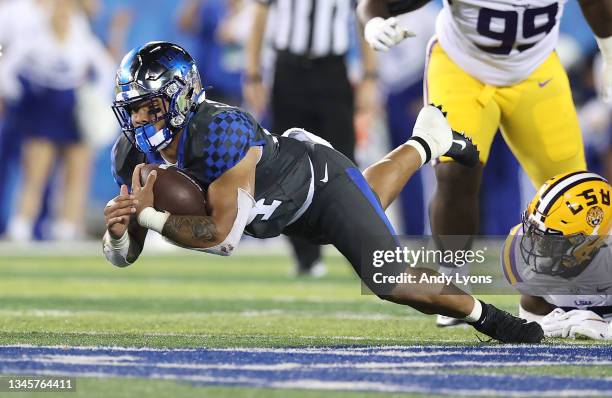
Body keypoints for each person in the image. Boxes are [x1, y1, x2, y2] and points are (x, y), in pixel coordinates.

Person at [102, 41, 543, 343]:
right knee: (368, 200)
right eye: (132, 109)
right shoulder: (130, 154)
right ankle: (428, 141)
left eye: (149, 107)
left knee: (388, 278)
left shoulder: (221, 132)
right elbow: (122, 256)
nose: (139, 121)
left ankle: (492, 318)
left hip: (318, 186)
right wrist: (119, 231)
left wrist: (147, 216)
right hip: (282, 213)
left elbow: (223, 238)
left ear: (179, 98)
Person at [358, 0, 612, 326]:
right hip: (462, 67)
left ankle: (546, 299)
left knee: (576, 190)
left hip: (535, 70)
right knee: (454, 170)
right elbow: (374, 5)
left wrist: (607, 51)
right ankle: (452, 279)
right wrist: (375, 25)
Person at [244, 0, 379, 276]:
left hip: (333, 71)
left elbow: (365, 17)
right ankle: (306, 257)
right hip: (288, 71)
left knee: (345, 162)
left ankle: (364, 248)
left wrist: (369, 76)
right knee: (287, 164)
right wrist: (253, 75)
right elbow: (259, 15)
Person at [0, 0, 114, 241]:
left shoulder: (81, 35)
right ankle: (20, 227)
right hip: (44, 110)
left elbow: (106, 69)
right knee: (36, 172)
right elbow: (6, 71)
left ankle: (66, 228)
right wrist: (20, 97)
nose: (62, 16)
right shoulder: (34, 37)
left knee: (76, 172)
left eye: (67, 11)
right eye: (59, 11)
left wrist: (94, 98)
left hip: (72, 110)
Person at [502, 171, 612, 340]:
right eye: (535, 234)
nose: (537, 247)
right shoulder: (518, 253)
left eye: (552, 240)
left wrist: (606, 329)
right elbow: (531, 309)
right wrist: (542, 324)